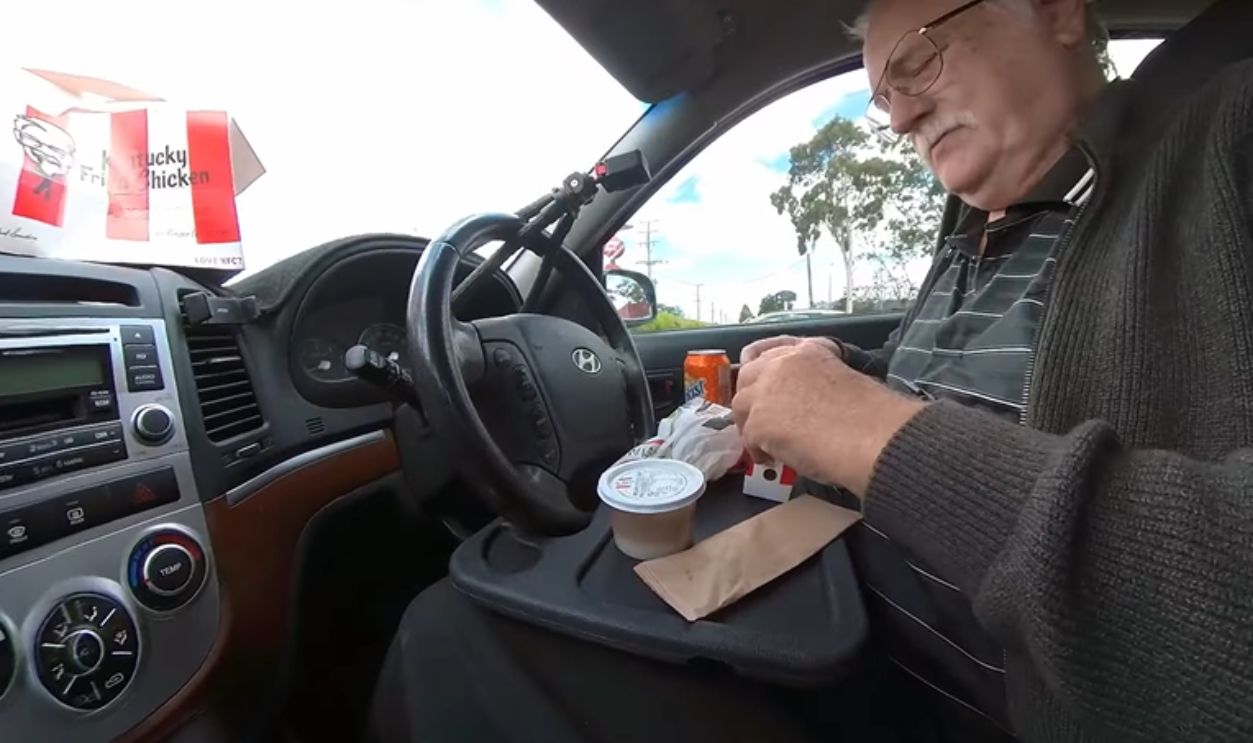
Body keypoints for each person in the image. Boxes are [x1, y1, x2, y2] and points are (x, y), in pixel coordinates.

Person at [370, 1, 1253, 740]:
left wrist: (866, 430)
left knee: (451, 638)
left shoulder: (1225, 141)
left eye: (918, 60)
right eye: (882, 97)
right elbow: (945, 389)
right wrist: (834, 371)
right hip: (829, 612)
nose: (899, 117)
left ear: (1056, 11)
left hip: (957, 700)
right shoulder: (977, 224)